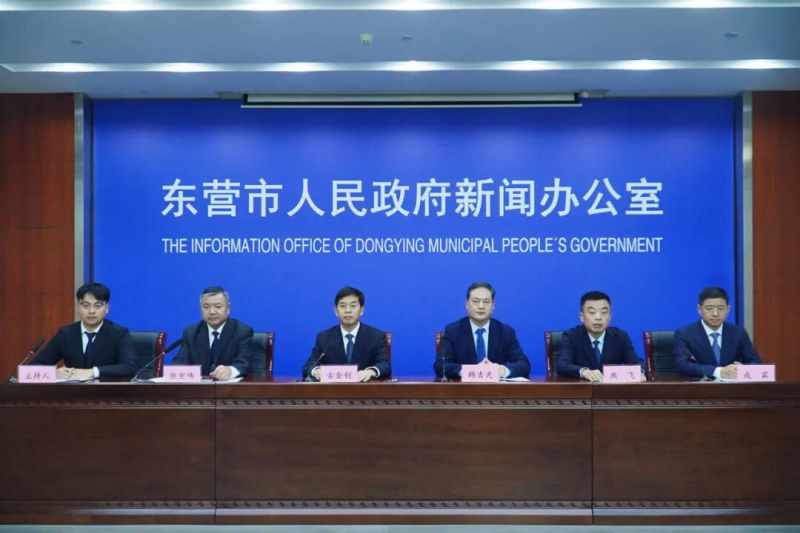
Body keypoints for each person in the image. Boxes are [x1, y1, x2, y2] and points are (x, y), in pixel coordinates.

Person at [31, 283, 136, 379]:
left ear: (107, 308)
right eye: (85, 305)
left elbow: (129, 368)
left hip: (107, 392)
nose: (91, 311)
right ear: (78, 307)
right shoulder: (66, 334)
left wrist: (92, 372)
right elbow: (32, 368)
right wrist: (52, 373)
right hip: (72, 392)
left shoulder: (118, 333)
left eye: (98, 306)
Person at [434, 282, 530, 380]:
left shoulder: (505, 331)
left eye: (486, 302)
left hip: (496, 388)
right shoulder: (453, 330)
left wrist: (501, 370)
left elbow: (523, 364)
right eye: (475, 301)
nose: (481, 306)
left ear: (493, 305)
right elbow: (441, 365)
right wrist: (472, 371)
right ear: (466, 304)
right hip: (463, 388)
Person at [302, 286, 390, 382]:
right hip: (333, 390)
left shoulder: (376, 336)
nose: (348, 310)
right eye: (343, 306)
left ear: (361, 310)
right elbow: (309, 365)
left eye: (353, 306)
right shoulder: (324, 337)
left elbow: (385, 365)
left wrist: (370, 372)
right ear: (336, 311)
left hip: (365, 388)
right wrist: (316, 371)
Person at [674, 286, 761, 379]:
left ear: (728, 309)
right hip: (700, 385)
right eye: (709, 308)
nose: (715, 314)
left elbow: (755, 363)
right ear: (699, 309)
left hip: (732, 386)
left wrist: (743, 369)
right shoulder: (684, 334)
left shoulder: (738, 333)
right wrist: (719, 371)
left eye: (721, 308)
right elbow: (683, 365)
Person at [557, 290, 645, 382]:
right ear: (582, 317)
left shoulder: (619, 336)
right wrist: (584, 372)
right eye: (592, 312)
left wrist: (639, 372)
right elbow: (562, 365)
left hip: (611, 389)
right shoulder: (571, 336)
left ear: (609, 316)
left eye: (604, 312)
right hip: (582, 389)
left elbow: (637, 363)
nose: (598, 317)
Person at [172, 286, 254, 380]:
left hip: (229, 387)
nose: (212, 312)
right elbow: (180, 362)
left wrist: (230, 370)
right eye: (206, 307)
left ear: (228, 308)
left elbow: (244, 363)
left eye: (218, 306)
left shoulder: (242, 331)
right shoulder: (190, 332)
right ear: (200, 309)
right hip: (198, 387)